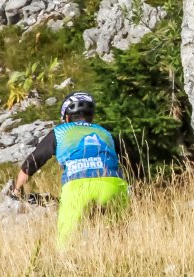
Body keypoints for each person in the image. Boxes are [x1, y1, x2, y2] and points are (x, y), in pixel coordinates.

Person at [11, 91, 130, 246]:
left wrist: (17, 188)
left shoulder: (60, 132)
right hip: (113, 185)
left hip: (77, 187)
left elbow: (34, 161)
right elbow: (134, 162)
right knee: (118, 239)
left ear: (66, 117)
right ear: (91, 116)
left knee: (67, 244)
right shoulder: (106, 133)